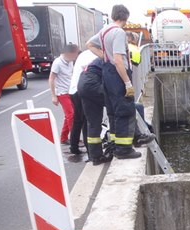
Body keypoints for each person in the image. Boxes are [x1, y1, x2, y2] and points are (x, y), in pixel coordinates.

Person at [86, 5, 140, 159]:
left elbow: (89, 44)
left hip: (107, 73)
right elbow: (118, 60)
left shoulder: (104, 31)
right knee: (124, 109)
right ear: (126, 18)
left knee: (113, 110)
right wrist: (128, 83)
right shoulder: (118, 32)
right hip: (117, 75)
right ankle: (124, 150)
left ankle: (117, 146)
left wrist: (103, 56)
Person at [68, 49, 98, 156]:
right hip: (80, 90)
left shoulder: (85, 54)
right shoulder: (92, 55)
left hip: (74, 90)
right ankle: (89, 150)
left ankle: (74, 147)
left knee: (78, 120)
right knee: (86, 120)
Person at [49, 44, 79, 144]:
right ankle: (75, 140)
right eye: (74, 55)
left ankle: (63, 138)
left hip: (71, 91)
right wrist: (54, 96)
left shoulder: (70, 62)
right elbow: (51, 79)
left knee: (69, 115)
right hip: (62, 93)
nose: (75, 57)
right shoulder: (57, 63)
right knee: (71, 115)